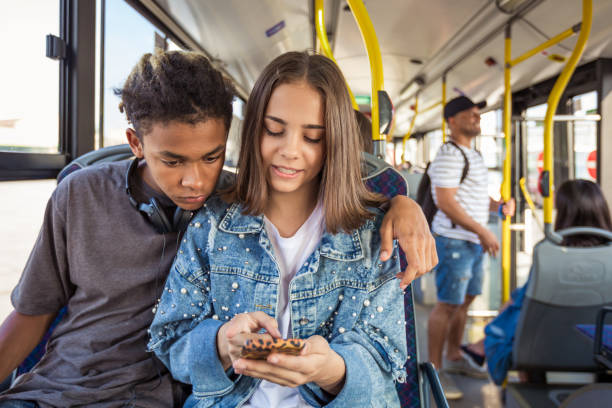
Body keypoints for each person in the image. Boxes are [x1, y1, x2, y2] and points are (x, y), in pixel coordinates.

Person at [0, 49, 434, 406]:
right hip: (64, 390)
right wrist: (222, 342)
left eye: (211, 157)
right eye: (274, 131)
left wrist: (404, 202)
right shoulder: (203, 218)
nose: (195, 182)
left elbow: (385, 366)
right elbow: (39, 314)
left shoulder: (363, 232)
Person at [148, 51, 408, 407]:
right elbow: (169, 339)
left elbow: (388, 359)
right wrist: (222, 342)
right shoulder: (212, 224)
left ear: (336, 142)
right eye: (274, 130)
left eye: (313, 138)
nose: (290, 151)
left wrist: (332, 370)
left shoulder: (372, 235)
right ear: (255, 129)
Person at [425, 95, 515, 400]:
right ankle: (434, 369)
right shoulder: (449, 154)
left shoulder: (473, 155)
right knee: (447, 304)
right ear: (451, 121)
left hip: (472, 241)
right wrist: (482, 231)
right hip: (455, 240)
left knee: (465, 301)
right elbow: (446, 202)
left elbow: (473, 197)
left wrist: (498, 206)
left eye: (478, 112)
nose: (476, 116)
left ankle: (454, 355)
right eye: (469, 113)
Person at [484, 179, 612, 385]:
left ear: (563, 215)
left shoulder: (548, 257)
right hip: (603, 354)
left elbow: (524, 307)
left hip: (543, 352)